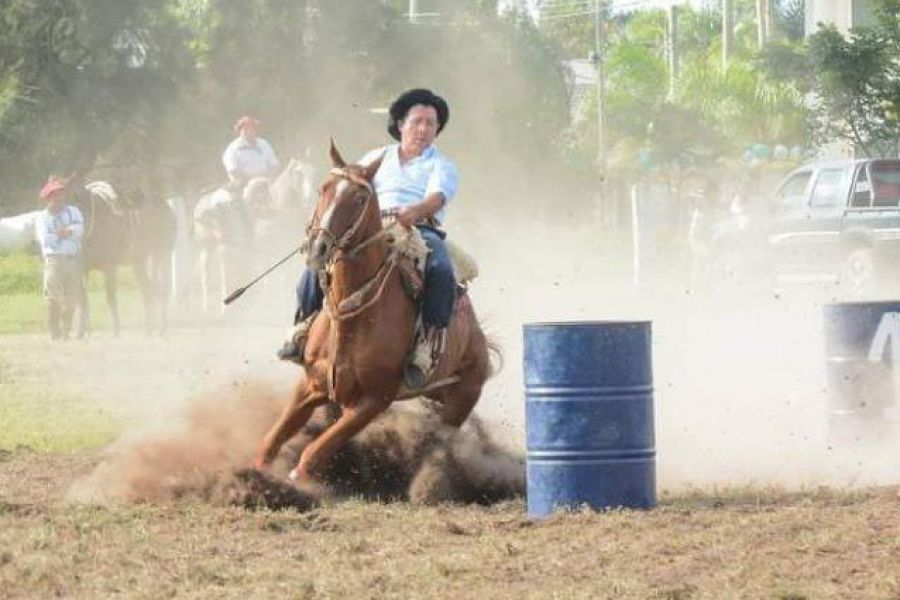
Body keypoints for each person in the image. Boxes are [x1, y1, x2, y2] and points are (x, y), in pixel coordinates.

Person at [278, 88, 459, 389]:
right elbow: (352, 184)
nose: (424, 129)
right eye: (417, 122)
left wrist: (414, 211)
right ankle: (302, 327)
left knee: (441, 271)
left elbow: (437, 198)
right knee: (318, 261)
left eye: (431, 123)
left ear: (437, 129)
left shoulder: (442, 165)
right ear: (400, 125)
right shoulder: (377, 156)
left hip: (419, 228)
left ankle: (425, 347)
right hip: (369, 226)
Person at [35, 176, 85, 340]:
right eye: (55, 195)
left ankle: (66, 331)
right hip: (54, 260)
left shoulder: (73, 212)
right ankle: (54, 331)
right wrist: (63, 234)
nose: (60, 198)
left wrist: (68, 232)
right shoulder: (42, 218)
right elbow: (46, 239)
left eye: (61, 194)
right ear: (48, 198)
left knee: (71, 297)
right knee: (53, 297)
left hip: (72, 259)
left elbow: (79, 230)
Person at [222, 115, 281, 186]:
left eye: (252, 129)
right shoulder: (232, 149)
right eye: (245, 129)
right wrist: (252, 179)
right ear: (239, 131)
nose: (249, 132)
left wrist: (266, 177)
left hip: (266, 182)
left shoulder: (264, 144)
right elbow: (233, 171)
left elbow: (274, 165)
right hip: (243, 185)